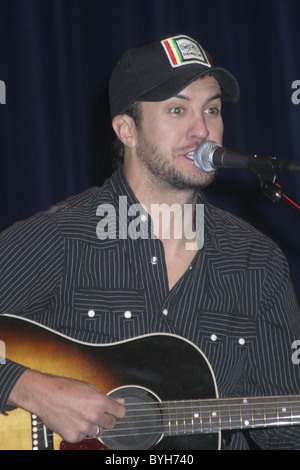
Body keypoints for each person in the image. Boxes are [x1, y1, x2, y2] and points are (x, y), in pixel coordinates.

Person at [1, 34, 300, 450]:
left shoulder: (256, 261)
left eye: (212, 109)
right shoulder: (63, 236)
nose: (203, 130)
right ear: (127, 130)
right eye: (178, 109)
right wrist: (29, 389)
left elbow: (285, 429)